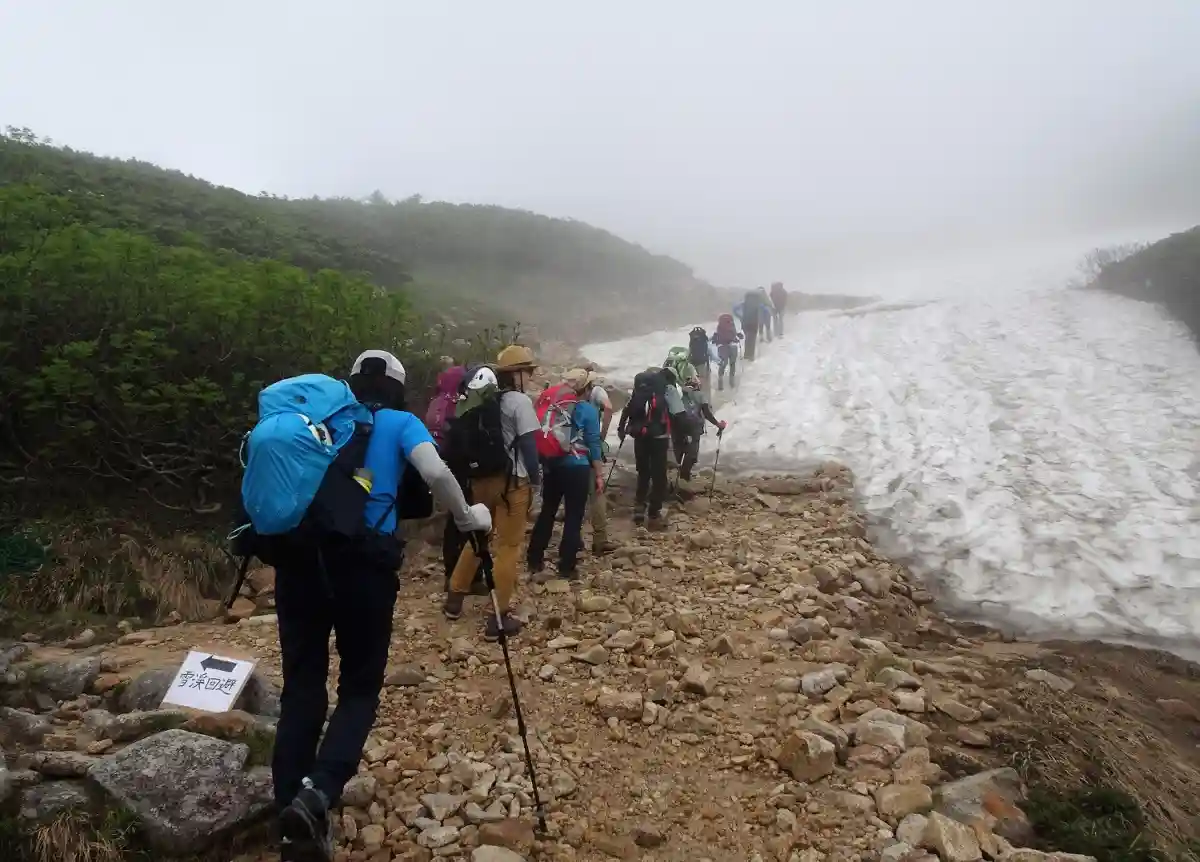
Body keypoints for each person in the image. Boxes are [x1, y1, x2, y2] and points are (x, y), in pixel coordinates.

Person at [273, 350, 492, 862]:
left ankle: (288, 819)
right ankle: (317, 793)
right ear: (397, 386)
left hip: (298, 564)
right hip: (364, 567)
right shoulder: (398, 422)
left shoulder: (316, 420)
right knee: (359, 687)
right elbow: (435, 473)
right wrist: (467, 518)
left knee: (302, 688)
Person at [442, 345, 541, 640]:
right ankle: (498, 616)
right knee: (509, 546)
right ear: (517, 373)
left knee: (478, 537)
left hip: (481, 479)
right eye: (528, 371)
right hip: (512, 482)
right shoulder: (519, 401)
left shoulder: (483, 400)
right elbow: (529, 445)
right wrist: (536, 481)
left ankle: (454, 599)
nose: (531, 376)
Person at [527, 369, 604, 577]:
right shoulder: (588, 410)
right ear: (586, 388)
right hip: (577, 468)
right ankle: (566, 566)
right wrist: (598, 474)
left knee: (548, 510)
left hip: (552, 464)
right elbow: (594, 445)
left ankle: (534, 558)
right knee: (573, 515)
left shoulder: (553, 407)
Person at [582, 364, 617, 554]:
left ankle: (573, 540)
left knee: (574, 495)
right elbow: (609, 407)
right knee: (597, 492)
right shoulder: (596, 390)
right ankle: (600, 540)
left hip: (571, 451)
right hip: (590, 447)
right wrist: (602, 435)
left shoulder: (570, 395)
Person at [677, 375, 727, 482]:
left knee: (683, 450)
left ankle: (680, 475)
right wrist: (718, 424)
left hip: (679, 426)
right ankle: (684, 477)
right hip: (694, 426)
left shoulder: (680, 395)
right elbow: (707, 413)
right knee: (692, 453)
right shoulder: (700, 395)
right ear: (697, 385)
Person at [711, 313, 743, 391]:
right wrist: (738, 337)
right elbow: (736, 335)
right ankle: (732, 382)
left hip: (722, 347)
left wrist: (715, 341)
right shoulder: (732, 326)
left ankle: (720, 382)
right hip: (733, 346)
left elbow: (715, 337)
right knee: (732, 364)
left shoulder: (719, 327)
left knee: (723, 363)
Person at [687, 326, 711, 390]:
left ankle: (695, 389)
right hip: (701, 361)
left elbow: (690, 351)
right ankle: (702, 389)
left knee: (694, 376)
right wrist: (708, 365)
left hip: (693, 360)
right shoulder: (704, 340)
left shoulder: (692, 341)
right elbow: (707, 352)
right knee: (701, 376)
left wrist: (688, 360)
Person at [741, 290, 762, 361]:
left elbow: (736, 309)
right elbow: (762, 312)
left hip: (745, 323)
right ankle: (751, 356)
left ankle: (746, 354)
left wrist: (740, 317)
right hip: (754, 324)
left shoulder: (744, 304)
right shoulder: (758, 305)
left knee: (747, 338)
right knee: (752, 339)